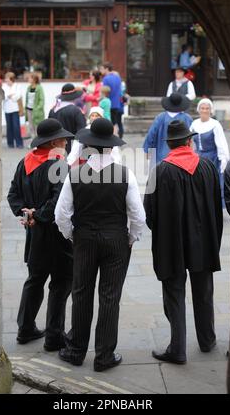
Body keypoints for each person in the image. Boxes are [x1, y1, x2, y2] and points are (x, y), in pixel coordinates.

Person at [55, 118, 146, 371]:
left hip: (84, 238)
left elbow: (60, 214)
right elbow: (138, 216)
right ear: (111, 147)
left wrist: (72, 235)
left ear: (88, 147)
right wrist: (129, 238)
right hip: (116, 239)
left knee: (81, 292)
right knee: (110, 297)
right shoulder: (125, 173)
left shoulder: (74, 174)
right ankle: (104, 356)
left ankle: (75, 351)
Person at [144, 120, 222, 364]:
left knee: (174, 294)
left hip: (172, 245)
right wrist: (212, 239)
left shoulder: (160, 170)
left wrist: (162, 233)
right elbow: (216, 210)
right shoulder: (208, 167)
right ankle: (207, 340)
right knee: (204, 292)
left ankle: (177, 349)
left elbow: (149, 212)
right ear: (189, 141)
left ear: (171, 144)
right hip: (202, 243)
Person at [7, 119, 74, 351]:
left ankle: (25, 329)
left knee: (34, 280)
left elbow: (13, 194)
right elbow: (58, 202)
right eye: (63, 138)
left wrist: (26, 214)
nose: (66, 142)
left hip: (34, 234)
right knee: (61, 282)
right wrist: (39, 214)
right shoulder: (58, 164)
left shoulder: (24, 161)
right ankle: (54, 337)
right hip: (57, 235)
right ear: (53, 141)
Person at [190, 98, 230, 204]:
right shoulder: (194, 124)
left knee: (211, 184)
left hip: (212, 158)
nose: (204, 110)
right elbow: (189, 142)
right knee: (198, 184)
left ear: (210, 110)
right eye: (202, 108)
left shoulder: (215, 125)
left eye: (207, 108)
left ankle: (213, 207)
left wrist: (223, 160)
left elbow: (221, 144)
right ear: (199, 109)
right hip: (197, 158)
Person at [143, 92, 193, 164]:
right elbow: (191, 139)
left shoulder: (160, 117)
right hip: (182, 156)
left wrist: (147, 150)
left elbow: (151, 135)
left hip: (162, 156)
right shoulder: (187, 118)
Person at [49, 83, 86, 154]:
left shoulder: (52, 110)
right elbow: (82, 131)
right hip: (72, 147)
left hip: (55, 146)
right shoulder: (76, 110)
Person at [100, 62, 122, 135]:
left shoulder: (106, 79)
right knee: (116, 122)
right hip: (117, 103)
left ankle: (112, 139)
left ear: (106, 69)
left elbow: (105, 91)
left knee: (109, 123)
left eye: (102, 69)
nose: (101, 71)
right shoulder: (118, 77)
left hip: (108, 103)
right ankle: (117, 138)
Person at [2, 72, 23, 148]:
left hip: (15, 109)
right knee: (9, 127)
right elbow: (3, 96)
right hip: (7, 109)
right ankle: (10, 143)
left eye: (7, 78)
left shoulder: (17, 86)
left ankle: (19, 143)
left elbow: (18, 96)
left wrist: (11, 96)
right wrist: (10, 95)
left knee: (16, 126)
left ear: (11, 78)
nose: (5, 80)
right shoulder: (4, 86)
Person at [25, 73, 45, 138]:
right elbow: (27, 99)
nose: (28, 79)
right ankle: (32, 141)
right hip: (29, 109)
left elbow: (42, 100)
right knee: (31, 126)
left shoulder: (39, 88)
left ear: (34, 79)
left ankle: (38, 142)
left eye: (30, 78)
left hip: (36, 110)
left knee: (37, 126)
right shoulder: (29, 87)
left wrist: (37, 108)